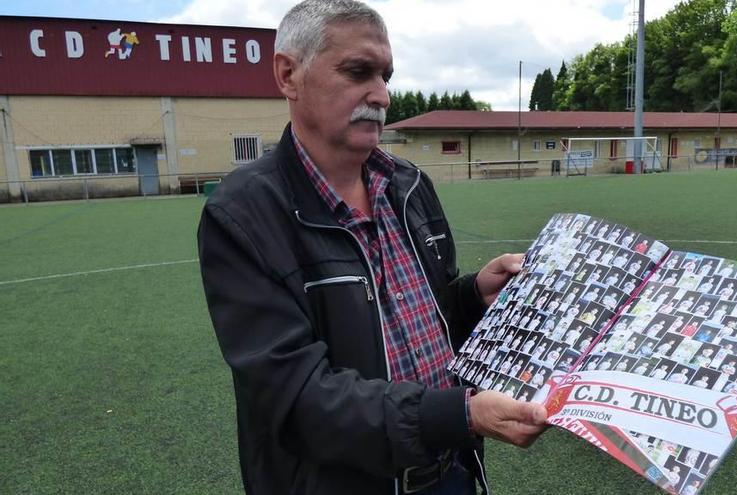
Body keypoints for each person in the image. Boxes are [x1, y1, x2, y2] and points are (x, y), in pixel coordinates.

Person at [197, 2, 547, 494]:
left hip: (452, 473)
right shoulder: (243, 213)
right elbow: (294, 397)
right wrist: (456, 414)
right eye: (358, 71)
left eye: (386, 75)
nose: (381, 95)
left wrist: (472, 297)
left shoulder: (409, 185)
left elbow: (426, 321)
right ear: (288, 74)